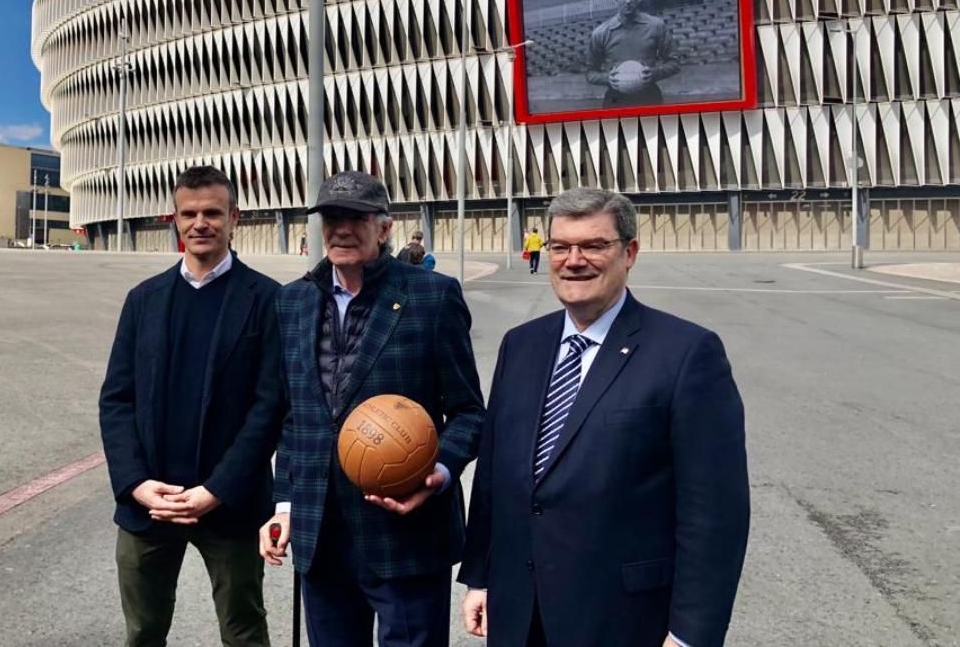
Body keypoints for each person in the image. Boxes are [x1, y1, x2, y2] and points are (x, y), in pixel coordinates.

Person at [459, 187, 749, 647]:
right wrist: (480, 576)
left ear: (629, 252)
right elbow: (495, 474)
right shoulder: (521, 344)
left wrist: (690, 634)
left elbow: (714, 514)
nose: (574, 261)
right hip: (518, 610)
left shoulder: (687, 353)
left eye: (594, 246)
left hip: (623, 619)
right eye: (560, 246)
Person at [259, 170, 485, 647]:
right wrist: (285, 505)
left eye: (356, 219)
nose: (341, 230)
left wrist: (437, 473)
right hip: (321, 535)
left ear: (384, 228)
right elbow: (295, 418)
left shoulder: (432, 296)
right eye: (332, 219)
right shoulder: (293, 301)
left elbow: (469, 412)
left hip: (405, 531)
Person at [99, 165, 284, 647]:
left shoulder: (268, 300)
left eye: (212, 213)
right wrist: (136, 484)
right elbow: (117, 400)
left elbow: (269, 408)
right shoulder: (144, 300)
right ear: (175, 220)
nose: (200, 223)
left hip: (230, 503)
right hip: (151, 503)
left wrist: (217, 489)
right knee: (143, 632)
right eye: (189, 214)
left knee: (243, 631)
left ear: (234, 218)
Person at [586, 0, 680, 108]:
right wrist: (607, 78)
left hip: (649, 96)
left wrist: (654, 73)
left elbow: (674, 63)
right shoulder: (601, 33)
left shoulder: (656, 26)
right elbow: (590, 73)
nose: (628, 1)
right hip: (616, 99)